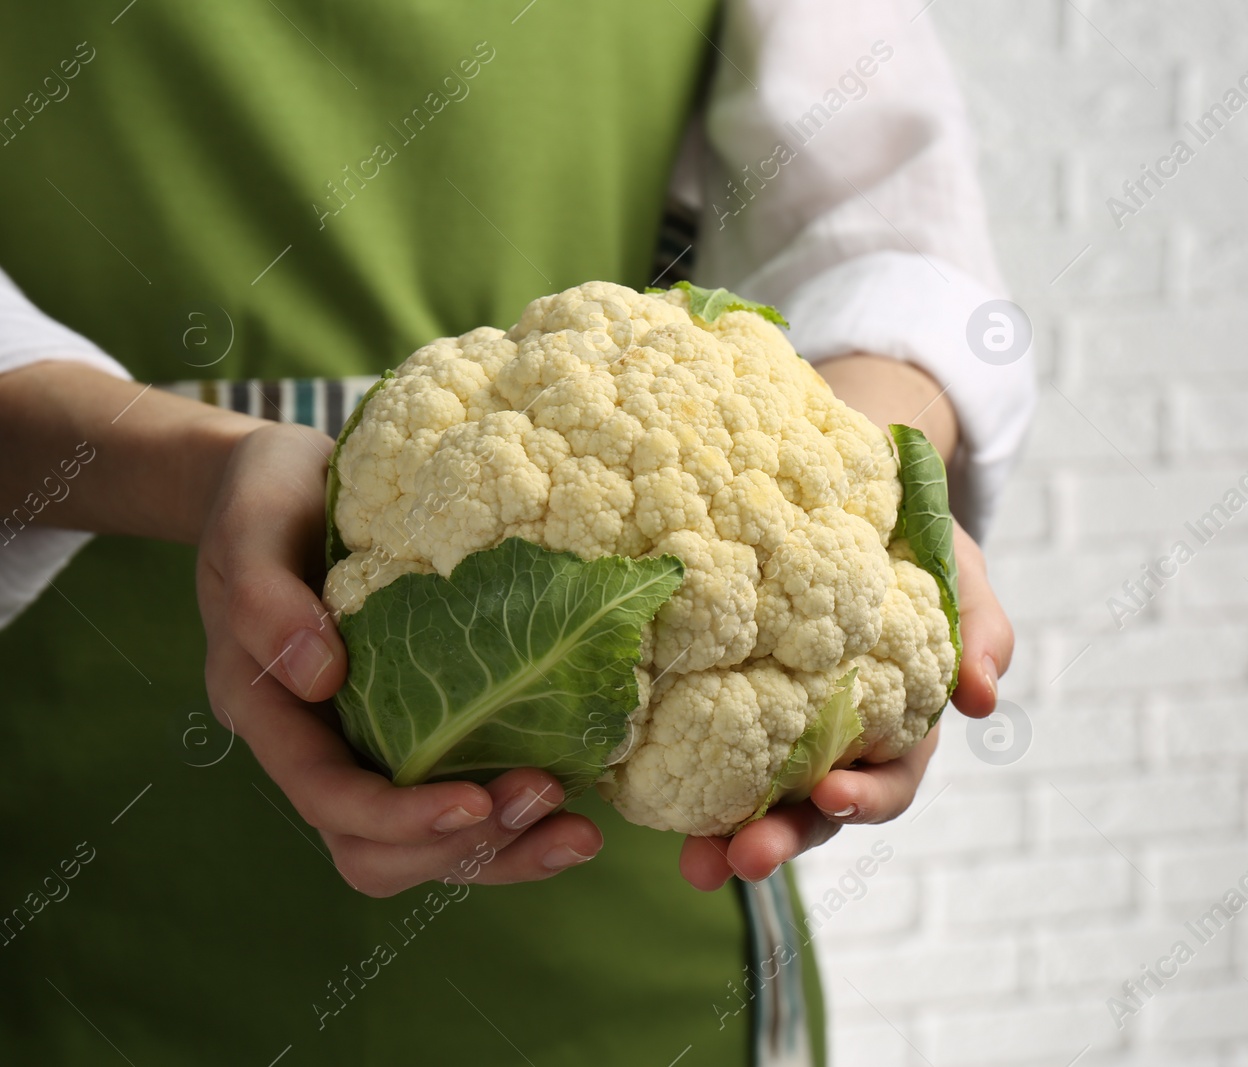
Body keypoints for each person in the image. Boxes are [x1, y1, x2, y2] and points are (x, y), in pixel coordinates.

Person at [0, 2, 1033, 1064]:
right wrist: (203, 468)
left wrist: (851, 510)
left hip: (632, 894)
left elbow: (885, 219)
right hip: (81, 823)